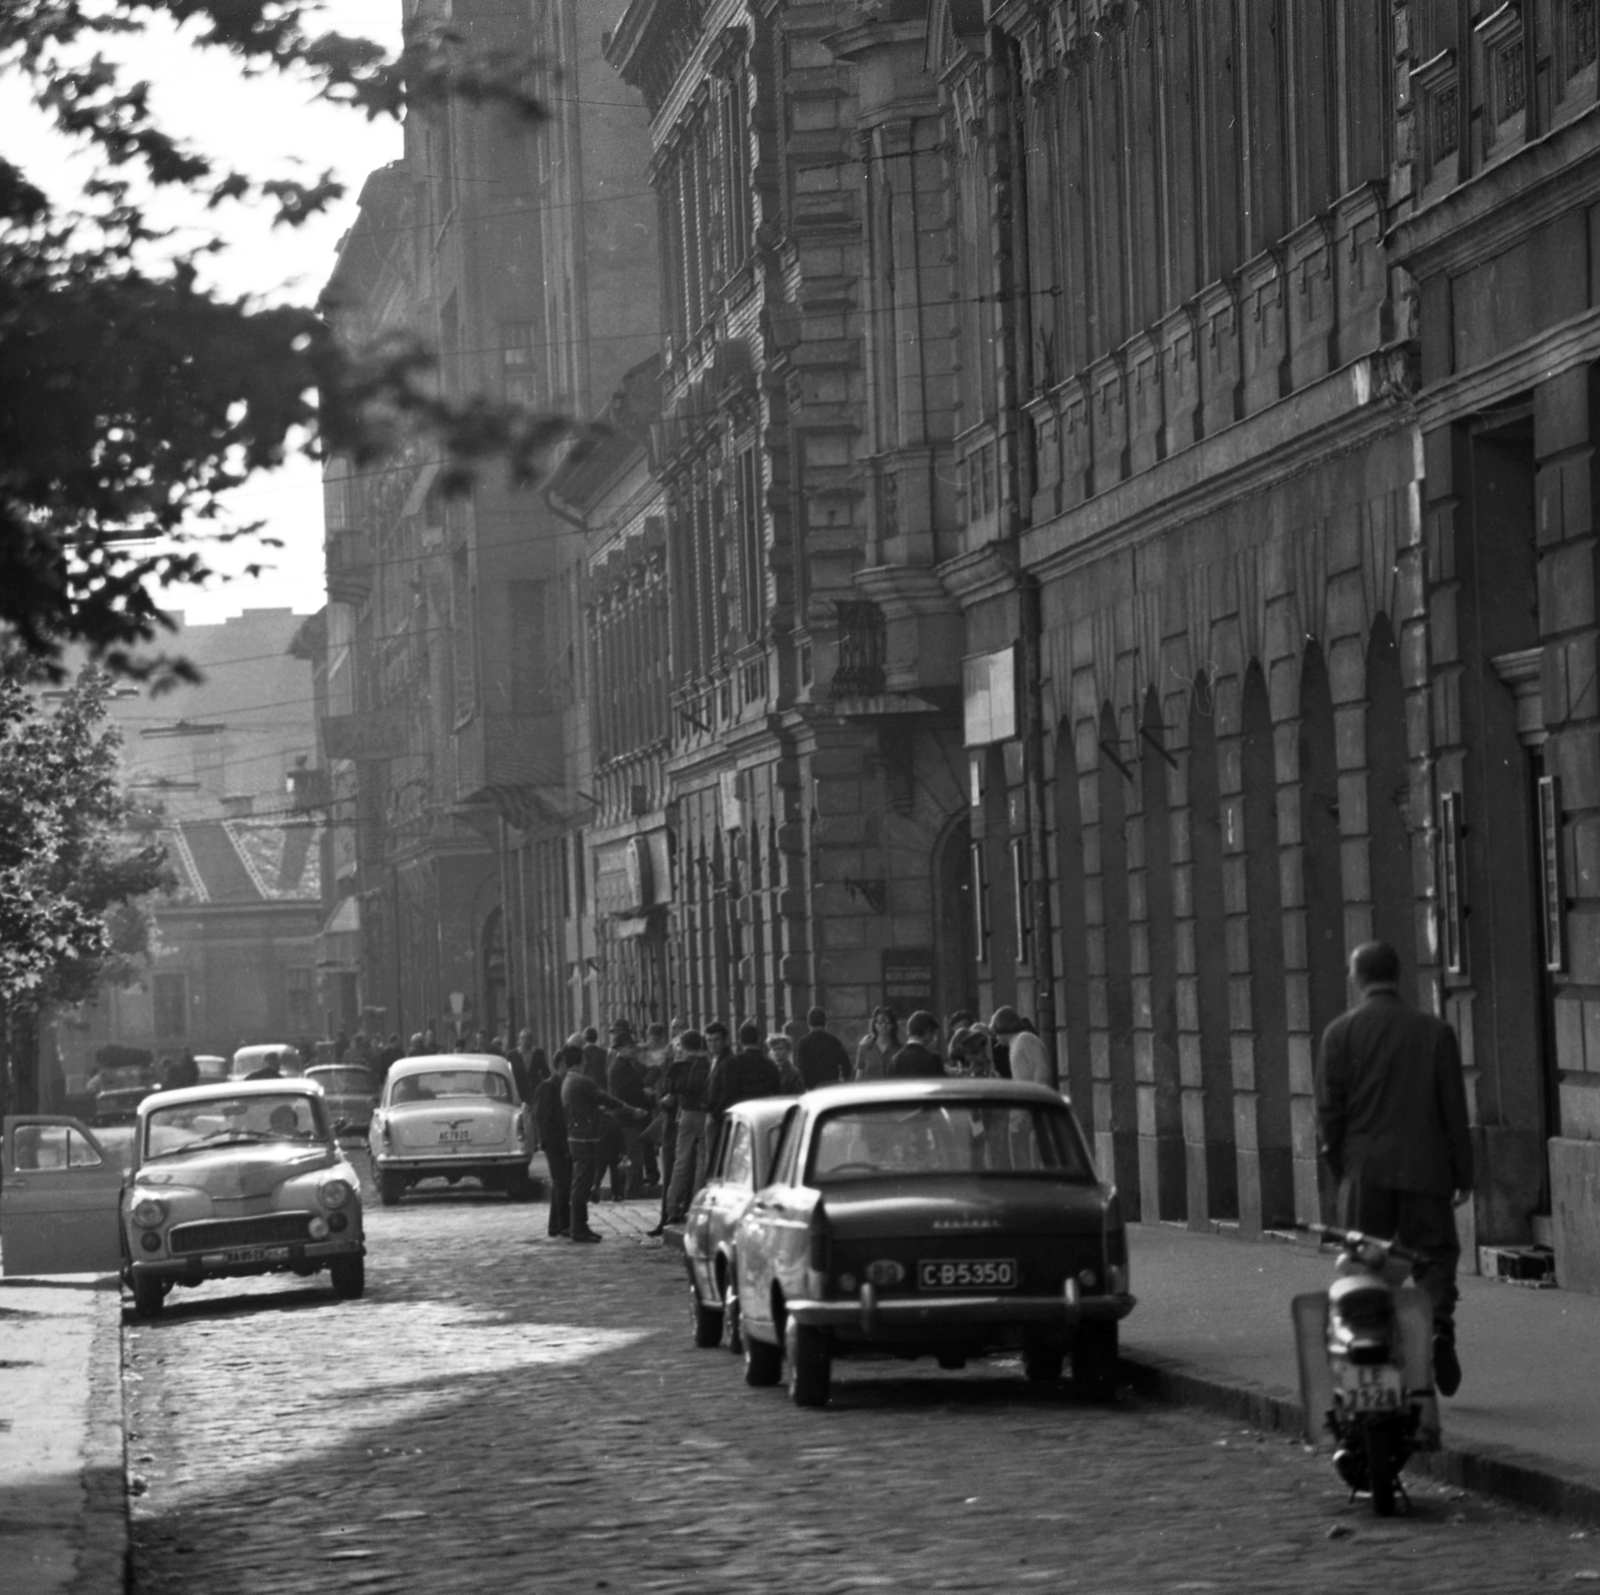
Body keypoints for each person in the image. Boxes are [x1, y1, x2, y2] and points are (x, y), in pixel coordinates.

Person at [1316, 940, 1473, 1397]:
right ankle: (1439, 1326)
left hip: (1365, 1172)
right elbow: (1454, 1112)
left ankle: (1371, 1361)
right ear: (1397, 975)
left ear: (1356, 977)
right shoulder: (1435, 1032)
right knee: (1436, 1256)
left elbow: (1330, 1114)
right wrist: (1464, 1174)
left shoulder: (1339, 1034)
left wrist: (1340, 1170)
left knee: (1364, 1264)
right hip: (1426, 1170)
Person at [561, 1047, 648, 1243]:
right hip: (585, 1137)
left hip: (576, 1135)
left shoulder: (568, 1080)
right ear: (582, 1059)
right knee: (582, 1184)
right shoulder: (582, 1081)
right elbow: (606, 1098)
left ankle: (581, 1225)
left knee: (581, 1182)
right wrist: (631, 1110)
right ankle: (578, 1226)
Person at [662, 1031, 714, 1223]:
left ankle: (672, 1207)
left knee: (681, 1162)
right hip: (702, 1114)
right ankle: (695, 1205)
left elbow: (670, 1090)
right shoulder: (706, 1064)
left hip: (684, 1115)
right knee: (702, 1161)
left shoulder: (679, 1065)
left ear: (683, 1046)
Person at [533, 1048, 572, 1238]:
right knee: (562, 1182)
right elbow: (542, 1118)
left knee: (561, 1183)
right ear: (558, 1065)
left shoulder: (566, 1085)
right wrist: (548, 1142)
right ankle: (563, 1224)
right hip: (554, 1144)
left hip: (564, 1142)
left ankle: (556, 1225)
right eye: (565, 1065)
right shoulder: (548, 1087)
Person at [708, 1020, 783, 1118]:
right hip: (763, 1117)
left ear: (740, 1042)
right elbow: (777, 1095)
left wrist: (717, 1116)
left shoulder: (729, 1064)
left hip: (737, 1118)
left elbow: (718, 1095)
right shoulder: (771, 1065)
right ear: (759, 1040)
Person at [990, 1007, 1052, 1087]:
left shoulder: (1024, 1039)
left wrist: (1039, 1094)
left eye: (997, 1034)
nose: (997, 1038)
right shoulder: (1017, 1043)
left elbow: (1043, 1070)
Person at [795, 1006, 852, 1091]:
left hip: (812, 1088)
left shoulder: (803, 1043)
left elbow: (802, 1068)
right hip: (831, 1086)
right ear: (825, 1022)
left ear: (809, 1023)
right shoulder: (834, 1041)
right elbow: (846, 1066)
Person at [891, 1011, 946, 1077]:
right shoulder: (933, 1059)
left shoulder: (895, 1060)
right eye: (933, 1034)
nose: (934, 1038)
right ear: (927, 1031)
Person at [855, 1007, 900, 1080]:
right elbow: (858, 1077)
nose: (884, 1026)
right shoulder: (865, 1048)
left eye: (887, 1023)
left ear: (892, 1025)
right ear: (875, 1024)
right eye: (880, 1022)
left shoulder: (899, 1049)